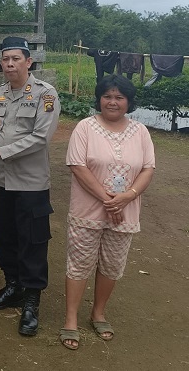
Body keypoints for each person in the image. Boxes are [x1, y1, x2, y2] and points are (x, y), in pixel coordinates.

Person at [59, 75, 155, 350]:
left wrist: (127, 197)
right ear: (99, 99)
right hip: (87, 211)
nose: (113, 102)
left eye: (119, 97)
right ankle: (71, 319)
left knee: (112, 264)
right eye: (107, 96)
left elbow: (148, 168)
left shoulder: (140, 132)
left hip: (126, 211)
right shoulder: (84, 128)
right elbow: (77, 166)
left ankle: (98, 313)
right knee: (79, 263)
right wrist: (109, 200)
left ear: (129, 102)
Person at [0, 36, 61, 336]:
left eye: (15, 59)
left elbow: (40, 138)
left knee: (32, 241)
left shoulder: (45, 94)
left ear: (28, 62)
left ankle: (32, 302)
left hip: (30, 184)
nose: (9, 64)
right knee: (2, 235)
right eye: (5, 59)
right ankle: (13, 286)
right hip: (0, 180)